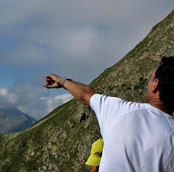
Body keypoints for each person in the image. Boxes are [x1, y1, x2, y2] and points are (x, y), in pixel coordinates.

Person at [43, 56, 174, 171]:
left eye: (151, 78)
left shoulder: (121, 111)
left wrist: (61, 81)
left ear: (156, 84)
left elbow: (84, 94)